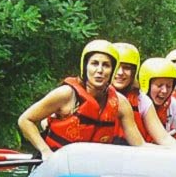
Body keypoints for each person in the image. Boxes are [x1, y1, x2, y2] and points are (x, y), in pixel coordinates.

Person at [18, 40, 146, 158]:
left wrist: (165, 150)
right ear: (85, 67)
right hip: (56, 165)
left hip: (89, 169)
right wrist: (45, 151)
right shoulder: (67, 94)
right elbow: (25, 120)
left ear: (112, 71)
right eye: (94, 63)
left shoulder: (120, 103)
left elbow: (140, 145)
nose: (100, 70)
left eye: (106, 65)